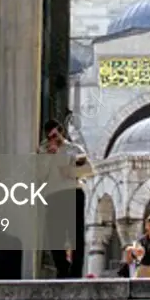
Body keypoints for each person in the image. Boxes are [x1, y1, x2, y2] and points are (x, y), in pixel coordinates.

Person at [38, 118, 93, 279]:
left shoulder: (74, 149)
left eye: (55, 135)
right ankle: (62, 268)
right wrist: (49, 156)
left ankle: (76, 273)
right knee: (55, 235)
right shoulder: (42, 151)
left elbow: (88, 169)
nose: (53, 139)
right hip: (53, 194)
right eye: (49, 136)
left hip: (73, 192)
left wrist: (69, 170)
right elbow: (39, 175)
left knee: (76, 234)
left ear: (61, 132)